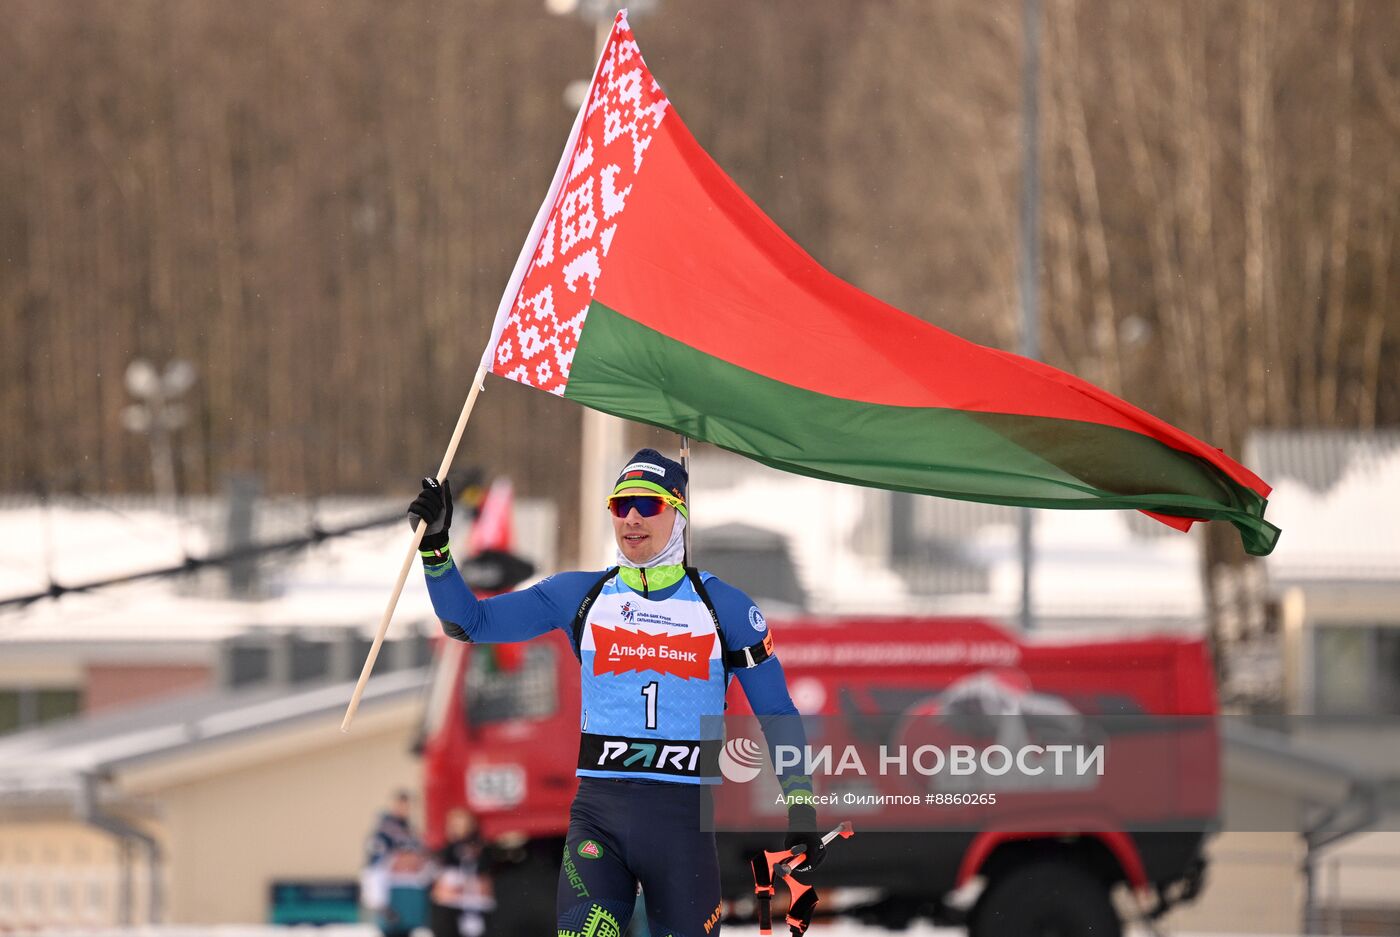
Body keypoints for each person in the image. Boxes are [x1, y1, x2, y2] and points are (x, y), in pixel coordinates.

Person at [408, 448, 823, 937]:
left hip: (682, 829)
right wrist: (436, 548)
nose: (631, 517)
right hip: (599, 821)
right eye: (619, 504)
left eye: (648, 505)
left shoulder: (724, 608)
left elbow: (775, 710)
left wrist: (801, 806)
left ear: (678, 513)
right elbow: (469, 622)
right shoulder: (581, 596)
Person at [429, 808, 495, 937]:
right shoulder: (446, 848)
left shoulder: (481, 847)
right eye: (453, 823)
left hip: (475, 904)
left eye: (461, 822)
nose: (456, 827)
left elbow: (485, 874)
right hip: (450, 905)